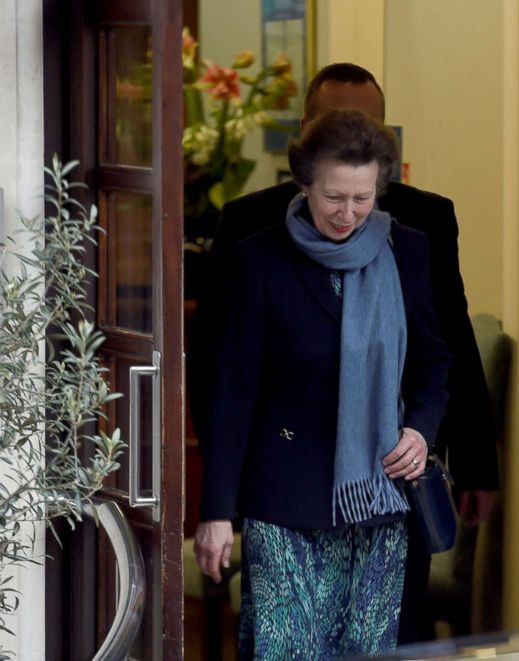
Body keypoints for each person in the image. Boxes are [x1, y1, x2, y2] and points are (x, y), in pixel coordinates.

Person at [188, 63, 499, 642]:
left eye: (361, 198)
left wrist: (422, 431)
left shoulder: (408, 249)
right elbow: (230, 389)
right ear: (303, 181)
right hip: (283, 499)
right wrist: (216, 511)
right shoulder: (261, 256)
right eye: (334, 197)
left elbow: (439, 359)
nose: (348, 213)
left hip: (381, 500)